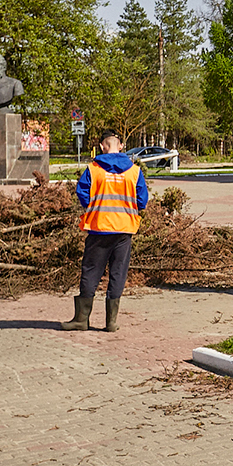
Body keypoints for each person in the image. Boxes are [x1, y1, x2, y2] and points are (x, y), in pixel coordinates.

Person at [62, 130, 148, 332]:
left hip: (99, 228)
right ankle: (111, 323)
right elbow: (142, 200)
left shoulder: (93, 170)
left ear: (102, 146)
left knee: (91, 272)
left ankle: (82, 320)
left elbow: (82, 193)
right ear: (121, 146)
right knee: (118, 273)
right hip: (124, 230)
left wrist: (95, 206)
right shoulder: (134, 171)